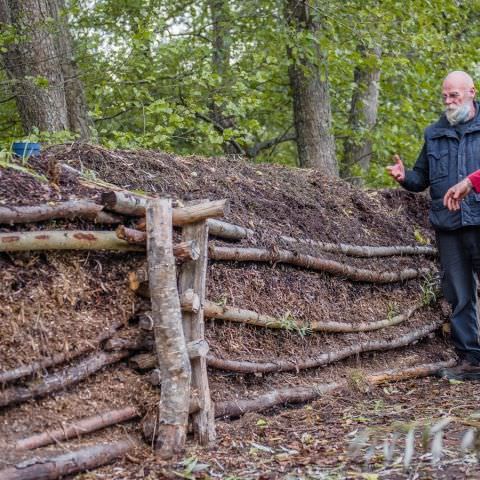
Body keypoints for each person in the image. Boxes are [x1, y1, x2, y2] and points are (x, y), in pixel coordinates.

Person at [386, 70, 480, 380]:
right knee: (459, 293)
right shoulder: (434, 133)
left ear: (471, 92)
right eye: (445, 96)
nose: (450, 101)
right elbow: (421, 178)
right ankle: (470, 360)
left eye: (455, 95)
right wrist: (404, 177)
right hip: (448, 224)